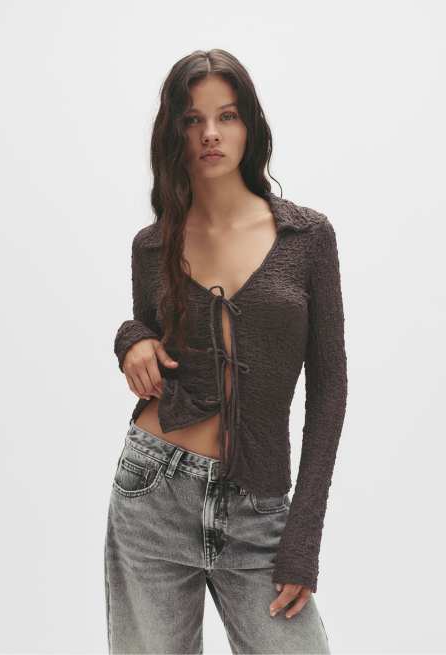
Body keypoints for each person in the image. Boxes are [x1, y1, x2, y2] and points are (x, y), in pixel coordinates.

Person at [104, 48, 347, 654]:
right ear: (174, 133)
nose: (210, 133)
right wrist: (130, 340)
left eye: (227, 115)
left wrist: (302, 537)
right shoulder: (152, 245)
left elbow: (329, 389)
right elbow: (151, 335)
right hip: (153, 492)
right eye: (193, 119)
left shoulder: (307, 237)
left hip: (260, 510)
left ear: (250, 125)